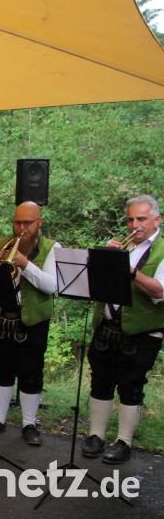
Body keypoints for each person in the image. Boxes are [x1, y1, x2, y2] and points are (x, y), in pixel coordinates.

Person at [82, 194, 164, 464]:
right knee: (100, 380)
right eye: (130, 219)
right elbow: (94, 287)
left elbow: (159, 292)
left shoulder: (162, 250)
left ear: (156, 219)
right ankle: (96, 436)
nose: (134, 225)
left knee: (131, 385)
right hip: (107, 326)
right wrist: (105, 259)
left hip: (142, 332)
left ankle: (123, 441)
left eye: (141, 219)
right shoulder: (122, 246)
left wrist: (129, 270)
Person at [0, 201, 60, 446]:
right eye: (18, 222)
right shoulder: (0, 243)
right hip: (2, 317)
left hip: (33, 320)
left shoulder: (52, 248)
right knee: (1, 369)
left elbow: (51, 286)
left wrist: (24, 264)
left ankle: (29, 423)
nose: (21, 228)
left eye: (28, 223)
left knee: (31, 372)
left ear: (40, 223)